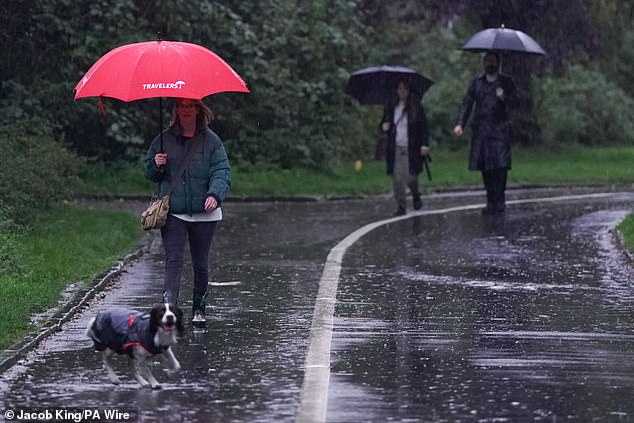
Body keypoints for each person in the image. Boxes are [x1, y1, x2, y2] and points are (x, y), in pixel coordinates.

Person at [144, 98, 231, 328]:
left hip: (205, 212)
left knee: (200, 263)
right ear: (176, 111)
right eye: (181, 106)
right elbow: (150, 174)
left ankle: (199, 309)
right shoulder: (163, 140)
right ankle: (168, 313)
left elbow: (222, 170)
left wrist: (214, 194)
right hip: (174, 212)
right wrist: (156, 164)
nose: (186, 110)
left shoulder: (211, 141)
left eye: (190, 106)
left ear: (198, 110)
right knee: (173, 261)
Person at [453, 51, 518, 214]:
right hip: (482, 131)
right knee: (486, 167)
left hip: (500, 130)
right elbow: (467, 103)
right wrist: (460, 123)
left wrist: (504, 97)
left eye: (493, 61)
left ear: (498, 63)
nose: (489, 64)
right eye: (487, 61)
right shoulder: (477, 82)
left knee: (500, 167)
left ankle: (500, 199)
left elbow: (516, 102)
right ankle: (490, 201)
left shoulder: (506, 82)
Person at [380, 79, 430, 216]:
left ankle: (415, 194)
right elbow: (383, 125)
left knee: (411, 176)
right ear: (396, 90)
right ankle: (401, 206)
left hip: (411, 147)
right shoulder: (390, 106)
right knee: (396, 177)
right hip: (395, 146)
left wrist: (424, 145)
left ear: (409, 91)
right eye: (399, 88)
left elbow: (423, 127)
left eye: (405, 89)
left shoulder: (416, 107)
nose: (402, 91)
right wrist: (384, 127)